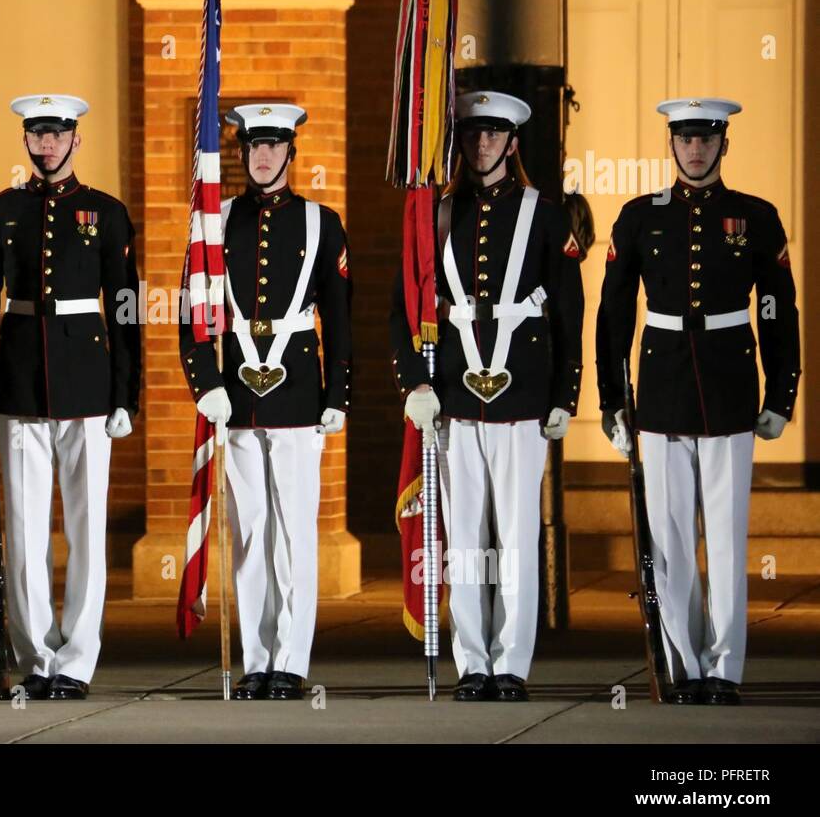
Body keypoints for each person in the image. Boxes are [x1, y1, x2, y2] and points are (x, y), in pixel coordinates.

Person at [596, 97, 800, 706]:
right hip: (660, 390)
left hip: (731, 385)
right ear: (671, 144)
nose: (695, 149)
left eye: (706, 139)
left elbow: (777, 311)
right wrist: (613, 400)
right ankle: (682, 666)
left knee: (729, 536)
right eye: (684, 138)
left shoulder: (755, 217)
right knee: (671, 537)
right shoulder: (638, 217)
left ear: (723, 145)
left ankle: (725, 669)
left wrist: (781, 390)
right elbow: (613, 317)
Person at [389, 91, 585, 701]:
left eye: (493, 134)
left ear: (513, 142)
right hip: (453, 394)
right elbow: (406, 305)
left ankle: (512, 664)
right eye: (473, 135)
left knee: (517, 535)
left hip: (522, 393)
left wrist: (565, 393)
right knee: (466, 538)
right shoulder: (436, 214)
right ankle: (471, 661)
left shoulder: (545, 215)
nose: (482, 146)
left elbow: (570, 313)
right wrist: (413, 382)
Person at [0, 94, 141, 700]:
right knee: (24, 530)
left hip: (89, 385)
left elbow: (124, 311)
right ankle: (38, 657)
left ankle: (77, 660)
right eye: (36, 135)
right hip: (17, 382)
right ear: (25, 141)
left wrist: (127, 394)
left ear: (75, 140)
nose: (46, 145)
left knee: (88, 527)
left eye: (56, 134)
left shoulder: (106, 213)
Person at [180, 102, 351, 701]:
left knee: (294, 533)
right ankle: (257, 659)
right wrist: (206, 387)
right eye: (254, 146)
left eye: (274, 145)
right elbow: (194, 315)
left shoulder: (321, 222)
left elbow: (339, 314)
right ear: (241, 152)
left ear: (291, 152)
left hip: (300, 394)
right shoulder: (214, 222)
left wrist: (339, 394)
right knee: (250, 531)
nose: (263, 156)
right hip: (238, 402)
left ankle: (292, 660)